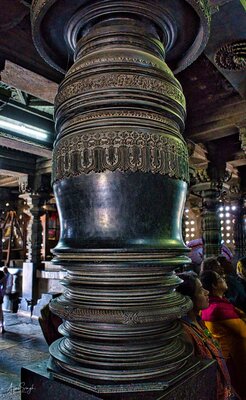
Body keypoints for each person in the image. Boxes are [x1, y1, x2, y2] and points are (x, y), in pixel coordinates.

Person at [176, 271, 237, 400]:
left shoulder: (199, 321)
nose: (207, 292)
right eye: (200, 290)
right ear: (187, 299)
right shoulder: (184, 333)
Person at [200, 270, 246, 400]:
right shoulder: (218, 308)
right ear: (215, 285)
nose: (224, 278)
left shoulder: (218, 304)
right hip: (234, 357)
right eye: (220, 277)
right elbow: (243, 332)